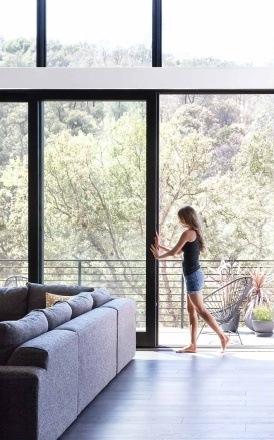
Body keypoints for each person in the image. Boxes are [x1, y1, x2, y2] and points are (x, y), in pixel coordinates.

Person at [150, 205, 229, 353]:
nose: (180, 221)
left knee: (200, 310)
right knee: (191, 310)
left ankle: (222, 336)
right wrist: (161, 246)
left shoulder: (188, 233)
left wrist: (158, 256)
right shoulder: (194, 233)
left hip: (193, 276)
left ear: (186, 218)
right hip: (192, 275)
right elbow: (179, 252)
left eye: (181, 218)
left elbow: (174, 252)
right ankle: (193, 345)